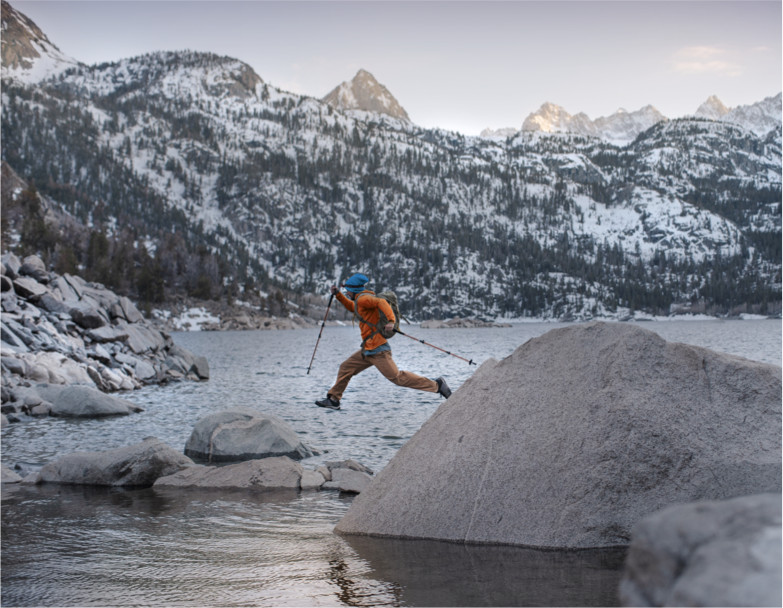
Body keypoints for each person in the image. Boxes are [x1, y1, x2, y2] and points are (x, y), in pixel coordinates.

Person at [315, 273, 452, 410]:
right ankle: (333, 400)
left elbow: (382, 302)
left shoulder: (364, 299)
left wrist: (391, 321)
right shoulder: (360, 301)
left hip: (378, 350)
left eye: (348, 291)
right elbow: (353, 307)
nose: (347, 293)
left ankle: (437, 386)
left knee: (397, 378)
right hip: (368, 350)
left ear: (354, 289)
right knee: (346, 367)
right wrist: (338, 295)